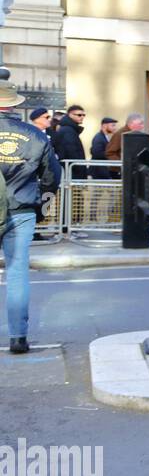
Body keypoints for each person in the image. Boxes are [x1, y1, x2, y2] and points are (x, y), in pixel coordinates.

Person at [0, 85, 62, 353]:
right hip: (21, 210)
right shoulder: (35, 135)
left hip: (18, 208)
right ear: (14, 105)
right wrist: (43, 207)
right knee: (17, 274)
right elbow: (52, 176)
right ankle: (18, 336)